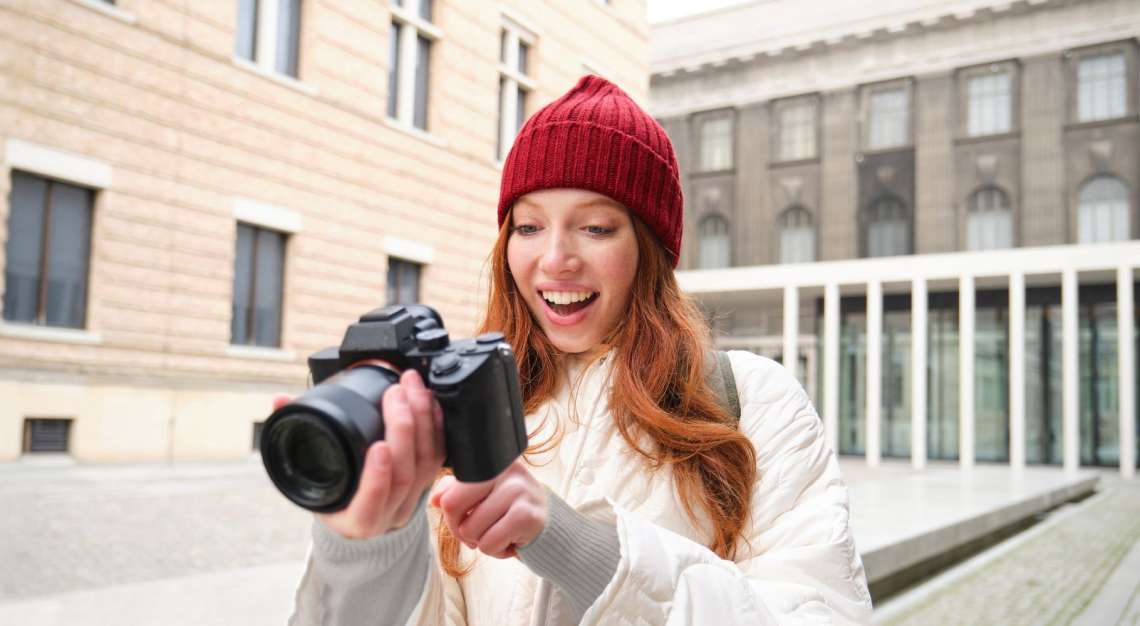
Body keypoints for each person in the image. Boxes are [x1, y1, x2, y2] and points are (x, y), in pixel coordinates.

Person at [286, 75, 874, 625]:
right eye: (528, 227)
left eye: (595, 227)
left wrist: (575, 545)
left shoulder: (752, 400)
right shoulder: (459, 403)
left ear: (650, 250)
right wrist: (367, 554)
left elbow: (818, 612)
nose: (555, 258)